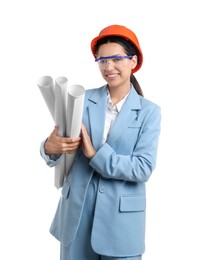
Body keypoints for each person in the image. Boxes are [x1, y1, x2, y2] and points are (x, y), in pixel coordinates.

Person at [40, 24, 161, 260]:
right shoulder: (81, 100)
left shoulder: (149, 112)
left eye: (116, 59)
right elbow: (58, 145)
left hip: (122, 225)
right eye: (102, 61)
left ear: (133, 61)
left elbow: (143, 168)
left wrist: (96, 155)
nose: (109, 67)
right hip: (76, 218)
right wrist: (49, 148)